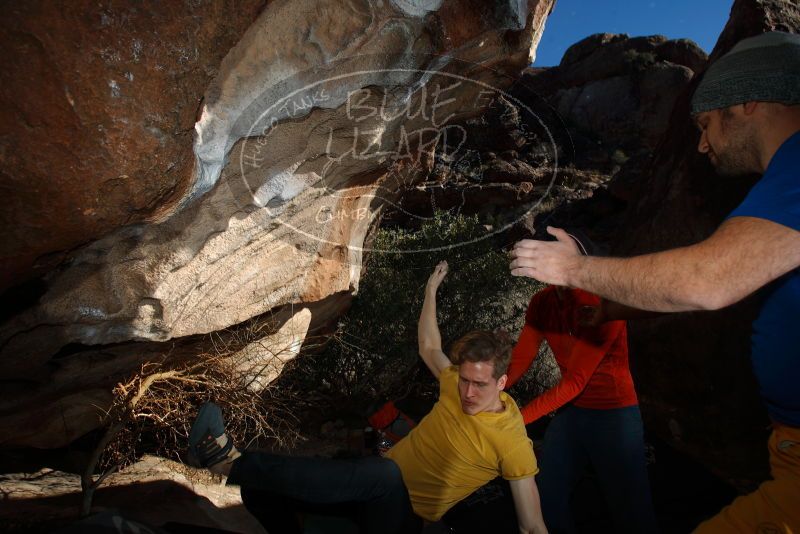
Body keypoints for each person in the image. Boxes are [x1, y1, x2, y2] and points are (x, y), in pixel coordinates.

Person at [509, 31, 800, 532]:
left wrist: (573, 269)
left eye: (706, 123)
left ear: (749, 101)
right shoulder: (779, 192)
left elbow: (709, 282)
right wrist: (614, 309)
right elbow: (736, 285)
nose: (703, 144)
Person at [187, 261, 548, 534]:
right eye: (465, 380)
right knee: (262, 491)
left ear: (501, 382)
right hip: (366, 499)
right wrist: (430, 291)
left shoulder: (512, 440)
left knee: (385, 474)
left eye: (480, 385)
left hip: (405, 520)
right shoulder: (456, 384)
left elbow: (532, 525)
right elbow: (429, 346)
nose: (468, 392)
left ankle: (225, 461)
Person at [505, 233, 656, 533]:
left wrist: (516, 421)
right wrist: (495, 387)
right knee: (546, 496)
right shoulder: (543, 302)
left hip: (614, 414)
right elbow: (523, 355)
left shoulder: (602, 304)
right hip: (572, 413)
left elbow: (575, 380)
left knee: (631, 511)